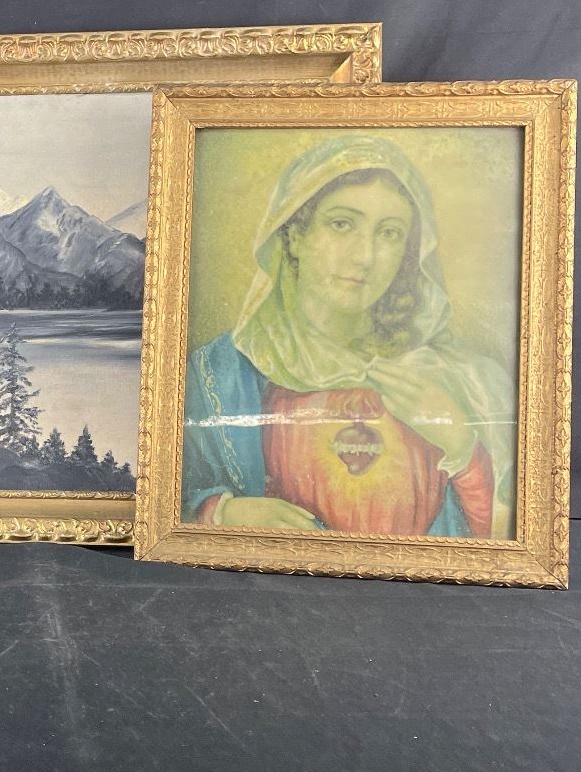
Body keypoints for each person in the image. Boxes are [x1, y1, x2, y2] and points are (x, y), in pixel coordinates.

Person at [183, 134, 516, 537]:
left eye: (389, 233)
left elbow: (505, 540)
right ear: (295, 235)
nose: (364, 256)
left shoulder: (467, 380)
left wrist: (462, 445)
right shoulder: (219, 375)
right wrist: (224, 513)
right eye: (342, 224)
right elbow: (166, 497)